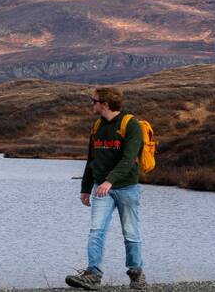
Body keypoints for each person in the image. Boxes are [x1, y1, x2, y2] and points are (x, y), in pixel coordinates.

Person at [66, 87, 146, 290]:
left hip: (127, 188)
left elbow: (129, 159)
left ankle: (136, 274)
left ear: (105, 104)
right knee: (96, 231)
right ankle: (93, 274)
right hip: (100, 187)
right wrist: (85, 188)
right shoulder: (97, 126)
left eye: (94, 101)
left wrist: (109, 181)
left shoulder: (131, 125)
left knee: (131, 232)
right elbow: (91, 159)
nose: (91, 104)